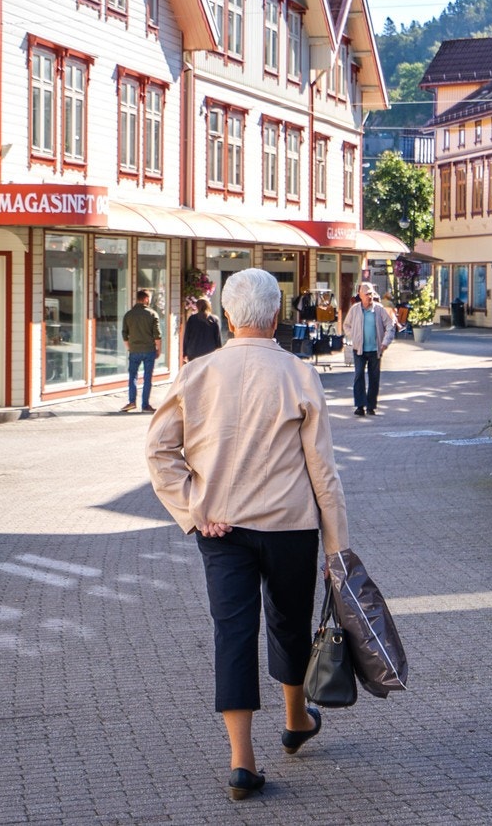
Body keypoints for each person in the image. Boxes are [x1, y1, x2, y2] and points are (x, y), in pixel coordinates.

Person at [146, 268, 349, 802]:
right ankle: (295, 719)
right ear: (278, 317)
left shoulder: (197, 374)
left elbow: (158, 451)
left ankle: (242, 760)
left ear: (230, 318)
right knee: (289, 623)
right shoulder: (300, 375)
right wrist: (337, 547)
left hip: (221, 527)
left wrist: (193, 508)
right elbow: (323, 471)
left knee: (232, 633)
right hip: (289, 524)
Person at [343, 281, 396, 416]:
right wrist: (353, 336)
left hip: (375, 349)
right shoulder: (355, 309)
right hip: (359, 349)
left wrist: (385, 342)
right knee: (359, 376)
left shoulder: (378, 309)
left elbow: (390, 326)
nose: (369, 297)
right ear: (360, 295)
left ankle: (371, 406)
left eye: (371, 294)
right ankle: (360, 406)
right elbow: (346, 326)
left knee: (374, 378)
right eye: (366, 294)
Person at [121, 289, 162, 412]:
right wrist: (158, 349)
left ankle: (132, 402)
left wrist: (129, 347)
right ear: (145, 299)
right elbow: (157, 335)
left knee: (133, 376)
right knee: (147, 378)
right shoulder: (152, 314)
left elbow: (124, 334)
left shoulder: (129, 314)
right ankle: (145, 405)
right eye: (148, 298)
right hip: (149, 350)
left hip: (134, 350)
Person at [182, 297, 222, 364]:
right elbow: (217, 339)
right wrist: (219, 352)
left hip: (193, 352)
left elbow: (186, 337)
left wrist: (184, 352)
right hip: (209, 352)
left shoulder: (192, 319)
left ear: (197, 307)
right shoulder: (214, 320)